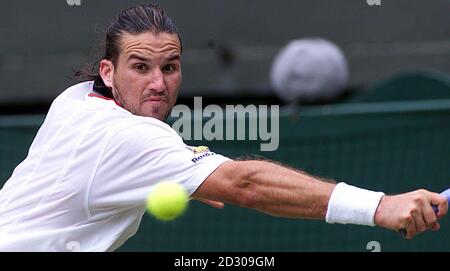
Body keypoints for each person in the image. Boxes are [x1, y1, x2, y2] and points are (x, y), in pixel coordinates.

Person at [0, 4, 447, 252]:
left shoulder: (76, 101)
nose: (158, 84)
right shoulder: (129, 138)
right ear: (109, 70)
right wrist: (379, 205)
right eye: (140, 67)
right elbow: (247, 184)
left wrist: (184, 164)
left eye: (170, 67)